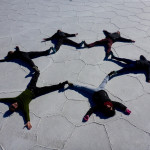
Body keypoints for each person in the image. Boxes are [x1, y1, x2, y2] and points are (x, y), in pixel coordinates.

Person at [0, 71, 68, 129]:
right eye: (14, 108)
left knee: (34, 79)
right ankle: (61, 85)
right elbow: (26, 113)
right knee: (48, 88)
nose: (13, 106)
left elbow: (5, 99)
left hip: (30, 88)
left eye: (11, 106)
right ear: (16, 108)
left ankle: (37, 71)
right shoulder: (23, 105)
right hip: (35, 93)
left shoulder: (14, 99)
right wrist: (28, 121)